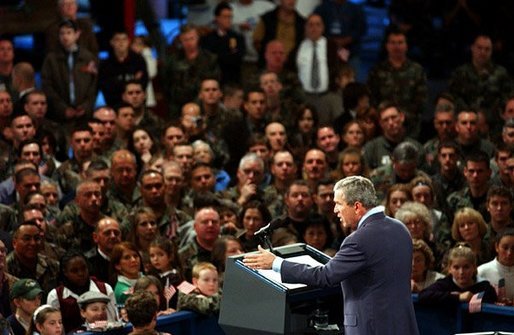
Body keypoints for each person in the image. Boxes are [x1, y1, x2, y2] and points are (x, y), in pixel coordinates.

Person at [243, 176, 419, 335]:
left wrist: (276, 263)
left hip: (371, 327)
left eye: (339, 204)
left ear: (357, 206)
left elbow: (325, 276)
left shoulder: (358, 240)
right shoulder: (400, 229)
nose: (335, 210)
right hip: (403, 324)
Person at [46, 251, 117, 333]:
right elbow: (55, 330)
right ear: (65, 272)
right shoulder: (56, 296)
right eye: (74, 271)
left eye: (83, 268)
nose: (80, 273)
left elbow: (113, 323)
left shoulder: (105, 289)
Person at [418, 244, 497, 306]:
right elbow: (423, 296)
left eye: (466, 267)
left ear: (474, 267)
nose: (461, 272)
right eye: (456, 267)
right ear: (450, 269)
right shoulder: (444, 284)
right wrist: (458, 297)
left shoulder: (485, 288)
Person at [478, 228, 514, 305]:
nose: (509, 253)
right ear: (497, 247)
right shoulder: (482, 271)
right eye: (505, 248)